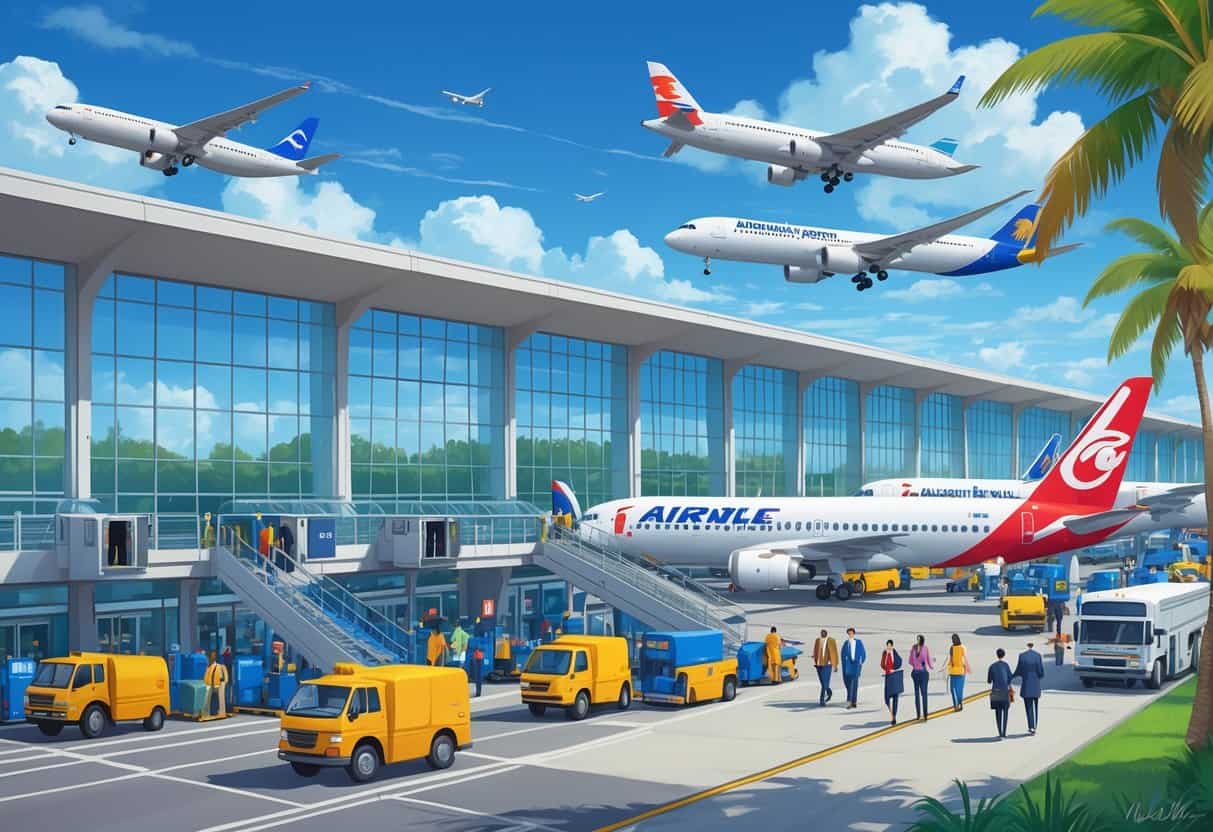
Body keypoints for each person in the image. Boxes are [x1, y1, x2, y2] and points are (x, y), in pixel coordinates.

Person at [1012, 642, 1045, 735]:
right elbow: (1041, 672)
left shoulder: (1022, 656)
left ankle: (1031, 726)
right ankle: (1035, 725)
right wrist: (1038, 676)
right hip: (1035, 684)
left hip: (1026, 684)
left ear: (1027, 646)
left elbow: (1018, 670)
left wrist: (1011, 677)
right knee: (1036, 706)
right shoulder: (1038, 656)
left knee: (1028, 707)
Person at [988, 648, 1014, 739]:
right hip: (1005, 691)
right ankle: (1004, 732)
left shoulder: (992, 666)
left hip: (995, 691)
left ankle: (999, 732)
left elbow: (989, 680)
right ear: (1004, 655)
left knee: (998, 712)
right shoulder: (1006, 665)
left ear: (997, 655)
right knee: (1005, 711)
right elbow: (1010, 678)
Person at [908, 634, 933, 722]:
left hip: (920, 673)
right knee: (919, 694)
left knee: (922, 694)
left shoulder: (923, 648)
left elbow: (928, 659)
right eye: (917, 639)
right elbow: (910, 661)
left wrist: (930, 666)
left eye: (918, 639)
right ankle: (920, 714)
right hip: (918, 673)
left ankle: (924, 714)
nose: (918, 641)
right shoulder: (915, 648)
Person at [812, 628, 840, 706]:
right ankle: (829, 692)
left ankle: (822, 700)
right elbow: (815, 650)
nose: (823, 634)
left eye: (824, 632)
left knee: (824, 683)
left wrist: (835, 665)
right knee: (823, 682)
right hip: (819, 664)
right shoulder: (818, 640)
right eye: (822, 632)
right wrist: (815, 657)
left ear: (826, 633)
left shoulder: (831, 641)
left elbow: (834, 652)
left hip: (827, 664)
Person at [841, 627, 866, 709]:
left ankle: (853, 702)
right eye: (849, 633)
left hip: (856, 665)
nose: (850, 635)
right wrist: (844, 664)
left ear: (854, 634)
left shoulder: (858, 642)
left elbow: (863, 652)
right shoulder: (846, 643)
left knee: (854, 683)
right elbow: (842, 654)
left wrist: (861, 661)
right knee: (849, 683)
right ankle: (850, 701)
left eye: (851, 633)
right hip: (848, 666)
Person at [881, 640, 904, 726]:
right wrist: (887, 669)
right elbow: (882, 664)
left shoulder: (894, 653)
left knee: (895, 697)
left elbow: (899, 662)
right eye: (888, 645)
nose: (889, 647)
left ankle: (894, 716)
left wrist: (893, 668)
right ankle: (892, 713)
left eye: (890, 645)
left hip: (894, 676)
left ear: (892, 646)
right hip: (888, 676)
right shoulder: (885, 653)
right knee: (886, 697)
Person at [946, 633, 971, 711]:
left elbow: (950, 660)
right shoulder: (963, 647)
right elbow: (964, 659)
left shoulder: (952, 648)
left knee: (953, 689)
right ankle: (960, 703)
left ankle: (956, 705)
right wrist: (967, 668)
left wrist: (947, 668)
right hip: (961, 672)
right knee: (959, 689)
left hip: (953, 672)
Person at [204, 651, 228, 717]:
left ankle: (222, 712)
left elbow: (225, 675)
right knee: (207, 699)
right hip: (211, 684)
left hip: (219, 683)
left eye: (213, 656)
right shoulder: (209, 666)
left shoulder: (220, 665)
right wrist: (206, 683)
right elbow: (207, 676)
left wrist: (224, 682)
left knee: (221, 698)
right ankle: (207, 712)